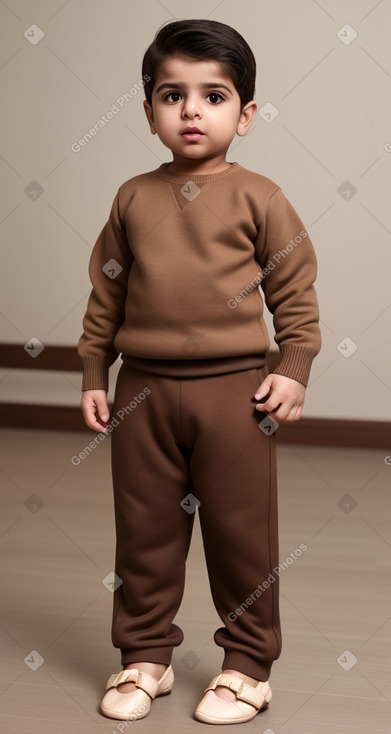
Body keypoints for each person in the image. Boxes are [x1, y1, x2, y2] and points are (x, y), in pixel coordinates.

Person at [78, 18, 321, 726]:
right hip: (141, 395)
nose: (190, 110)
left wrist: (295, 367)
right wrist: (95, 372)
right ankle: (144, 656)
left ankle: (246, 664)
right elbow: (107, 294)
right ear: (149, 110)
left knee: (240, 534)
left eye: (212, 96)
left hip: (234, 394)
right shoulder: (131, 198)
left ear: (243, 116)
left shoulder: (261, 198)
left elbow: (295, 296)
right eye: (170, 94)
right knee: (144, 530)